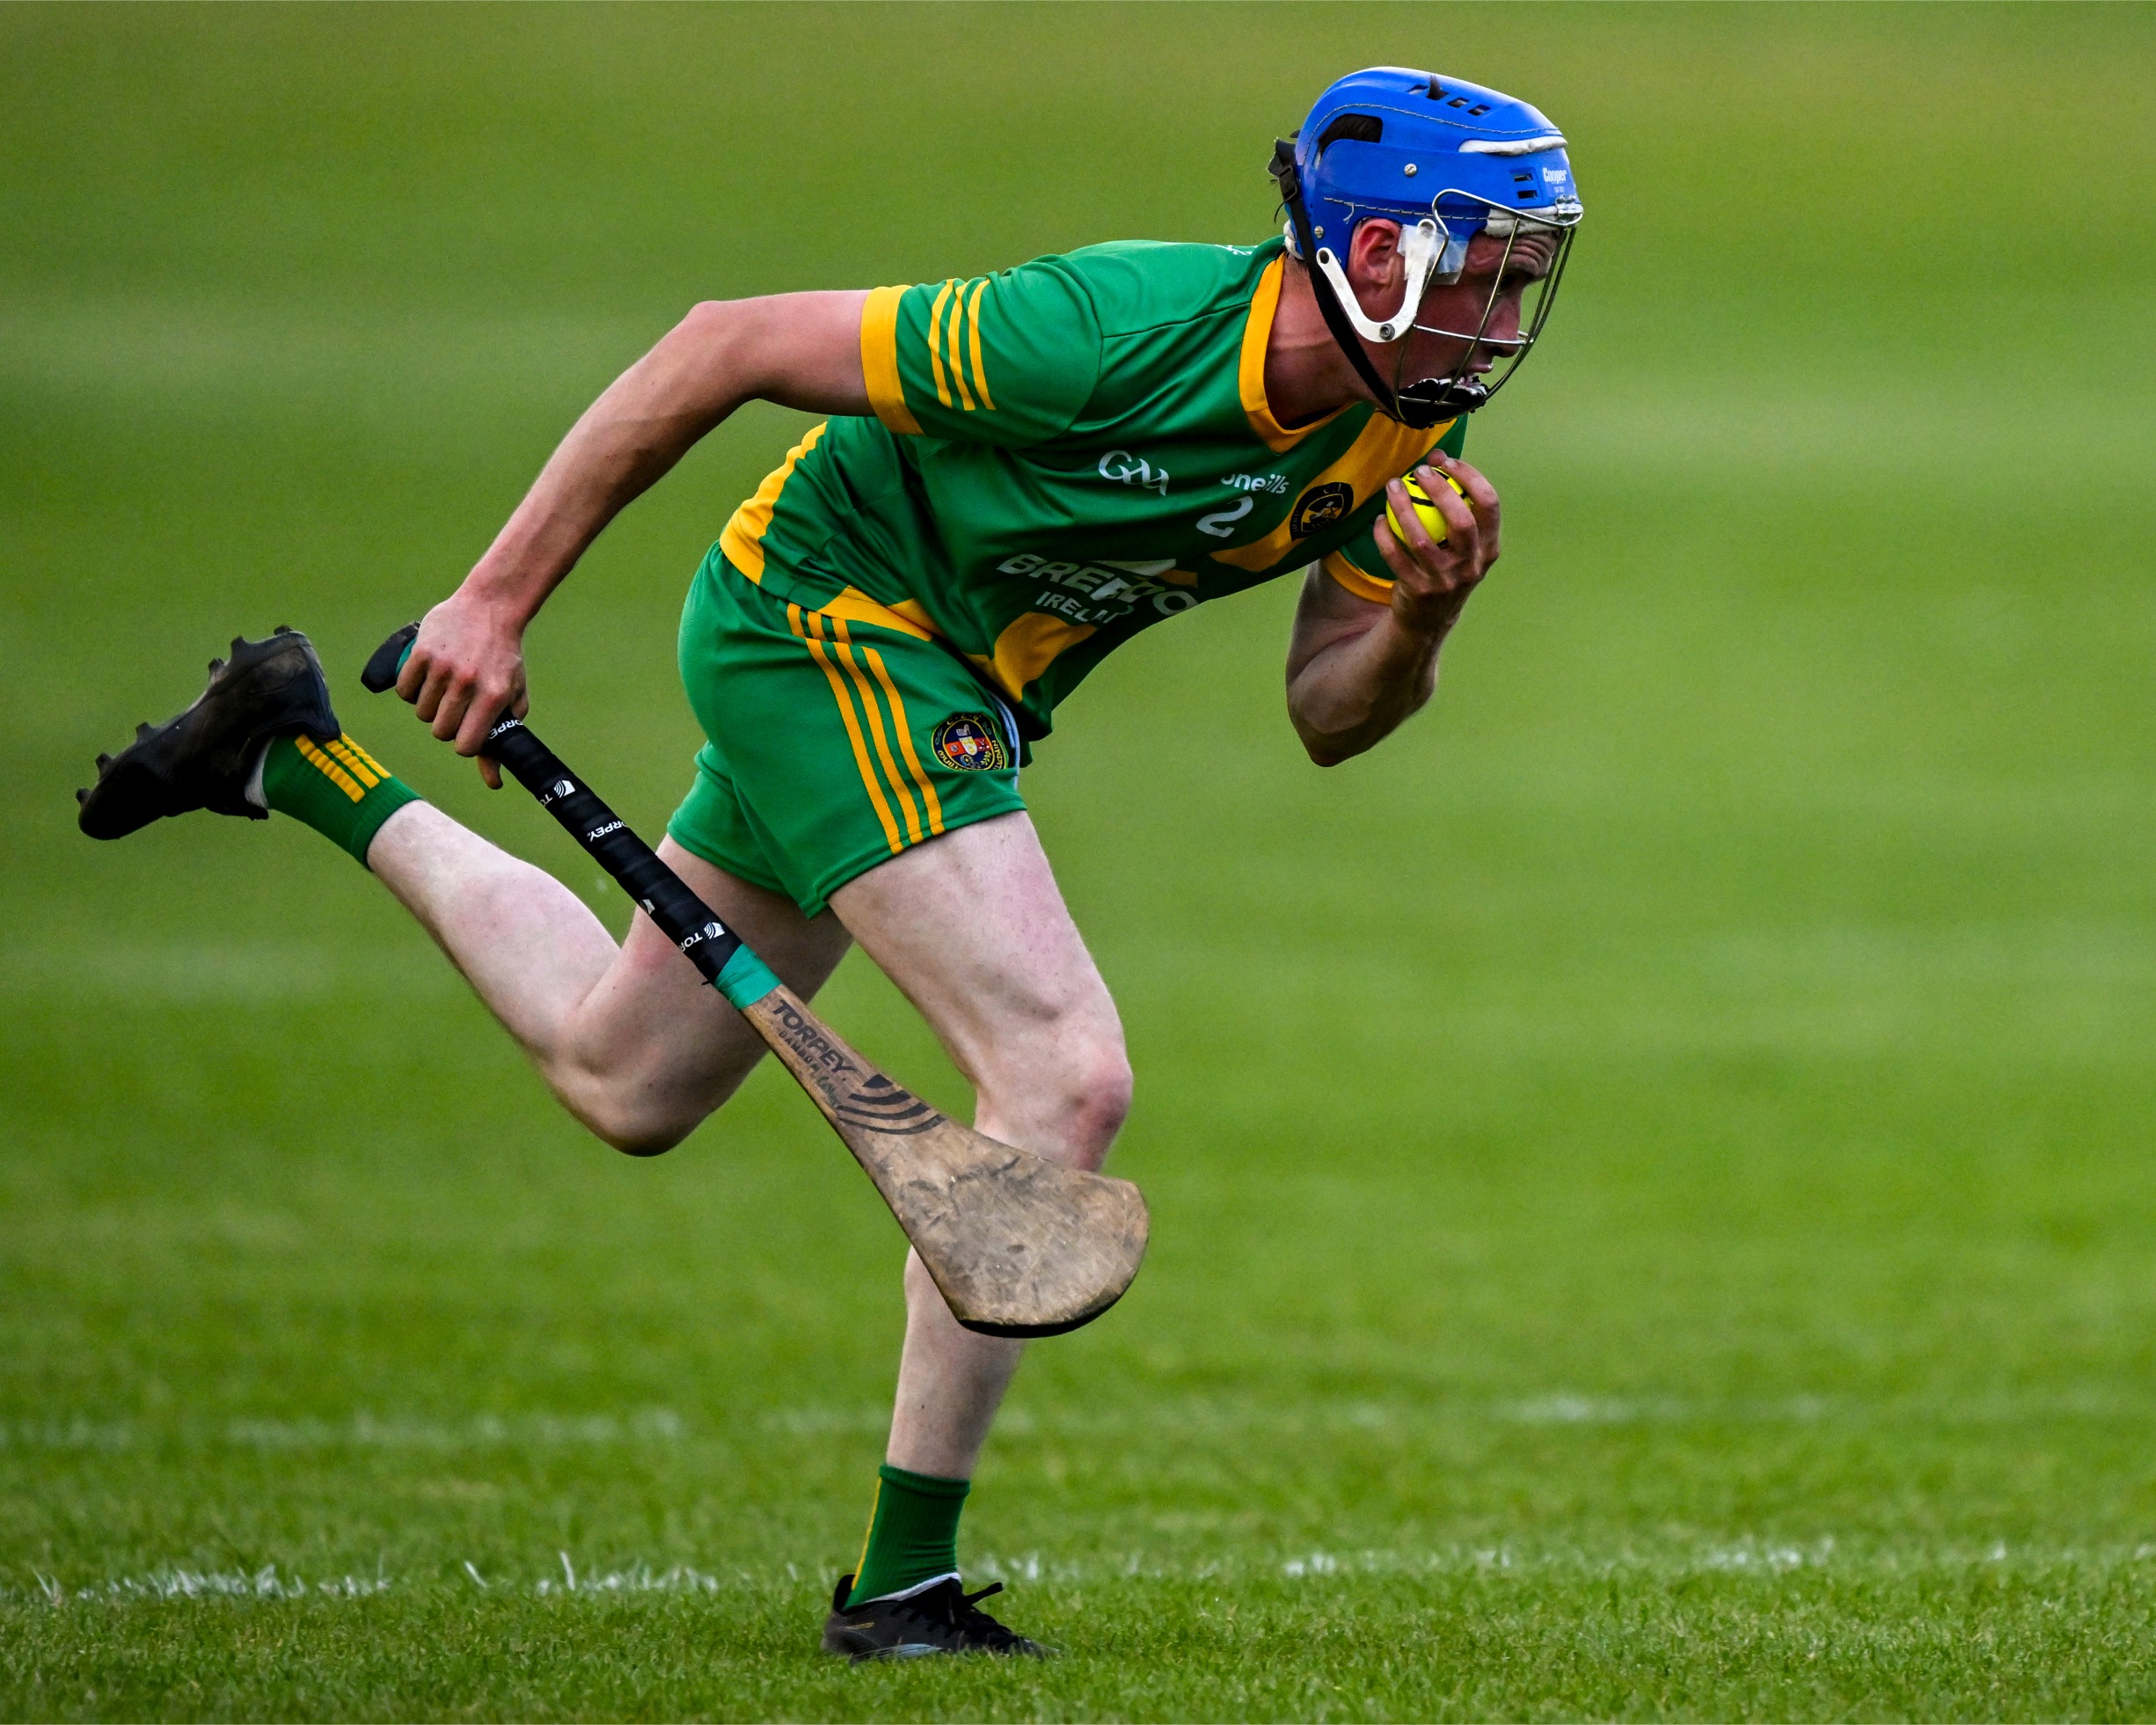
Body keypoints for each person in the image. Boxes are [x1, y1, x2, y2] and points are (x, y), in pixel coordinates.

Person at [77, 66, 1581, 1658]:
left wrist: (1422, 614)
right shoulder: (1101, 331)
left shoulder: (1415, 416)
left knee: (624, 1076)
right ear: (1373, 255)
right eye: (1486, 267)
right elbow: (723, 342)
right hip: (828, 621)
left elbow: (1330, 714)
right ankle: (904, 1585)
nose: (1505, 314)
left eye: (1524, 273)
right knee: (1061, 1072)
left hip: (948, 690)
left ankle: (289, 752)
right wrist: (496, 602)